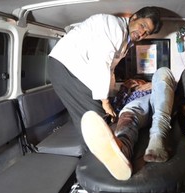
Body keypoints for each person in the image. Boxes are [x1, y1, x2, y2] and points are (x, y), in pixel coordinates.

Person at [47, 7, 162, 135]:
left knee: (98, 119)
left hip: (76, 71)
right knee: (98, 121)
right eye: (142, 25)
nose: (141, 33)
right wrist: (105, 101)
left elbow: (109, 69)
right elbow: (101, 62)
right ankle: (95, 153)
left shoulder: (126, 41)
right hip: (66, 65)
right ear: (134, 17)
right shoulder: (114, 27)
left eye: (146, 32)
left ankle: (95, 149)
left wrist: (111, 95)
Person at [81, 67, 176, 180]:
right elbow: (116, 108)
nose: (136, 83)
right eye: (133, 82)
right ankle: (122, 150)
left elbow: (168, 84)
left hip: (161, 100)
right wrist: (126, 87)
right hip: (136, 109)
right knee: (129, 112)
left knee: (163, 71)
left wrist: (152, 85)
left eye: (139, 81)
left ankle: (158, 138)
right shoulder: (128, 95)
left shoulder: (156, 84)